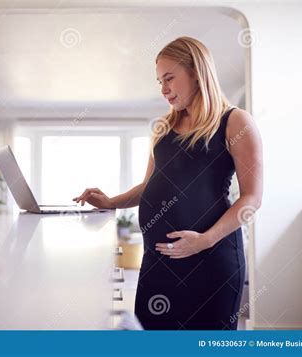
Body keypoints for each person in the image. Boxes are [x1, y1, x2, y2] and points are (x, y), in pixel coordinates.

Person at [73, 36, 263, 330]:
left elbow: (252, 199)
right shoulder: (164, 127)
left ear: (197, 74)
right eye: (160, 81)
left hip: (211, 260)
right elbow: (150, 184)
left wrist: (203, 241)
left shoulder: (235, 122)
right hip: (158, 261)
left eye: (169, 79)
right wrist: (112, 201)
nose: (163, 89)